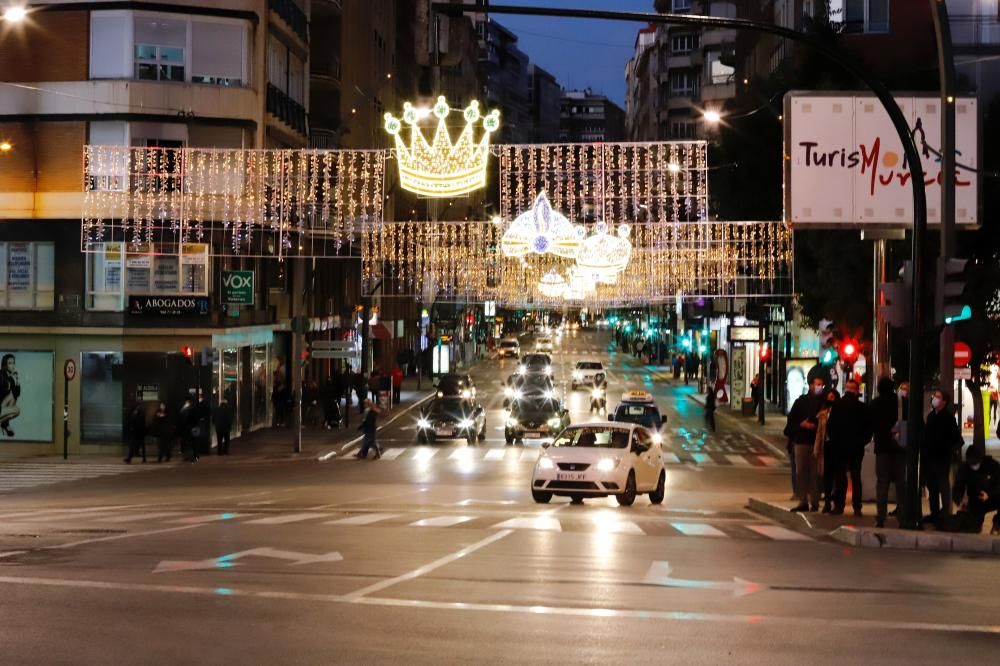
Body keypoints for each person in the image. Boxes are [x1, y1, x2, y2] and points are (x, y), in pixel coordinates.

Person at [826, 379, 871, 516]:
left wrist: (834, 441)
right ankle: (857, 507)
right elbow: (868, 428)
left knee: (840, 476)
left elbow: (831, 426)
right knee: (856, 476)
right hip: (856, 447)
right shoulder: (862, 407)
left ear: (846, 389)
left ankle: (839, 505)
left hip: (839, 446)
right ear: (856, 391)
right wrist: (863, 441)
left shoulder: (837, 405)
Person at [785, 376, 826, 512]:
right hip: (801, 441)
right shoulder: (801, 401)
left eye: (821, 385)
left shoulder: (824, 402)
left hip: (817, 442)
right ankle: (802, 500)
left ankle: (815, 501)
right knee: (801, 472)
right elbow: (792, 419)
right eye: (817, 384)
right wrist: (802, 424)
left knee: (815, 473)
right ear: (811, 385)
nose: (819, 387)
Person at [869, 378, 906, 528]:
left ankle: (880, 517)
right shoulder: (902, 402)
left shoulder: (875, 403)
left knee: (882, 483)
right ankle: (903, 517)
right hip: (899, 447)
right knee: (901, 484)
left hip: (882, 447)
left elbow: (870, 423)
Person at [922, 389, 963, 524]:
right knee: (932, 487)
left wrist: (948, 452)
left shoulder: (948, 418)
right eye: (935, 396)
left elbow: (958, 439)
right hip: (929, 458)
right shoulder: (931, 416)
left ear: (944, 402)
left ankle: (945, 514)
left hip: (941, 459)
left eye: (938, 397)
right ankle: (934, 513)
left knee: (943, 486)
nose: (934, 398)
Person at [952, 446, 1000, 535]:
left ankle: (997, 524)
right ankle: (977, 524)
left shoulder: (993, 465)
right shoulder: (964, 468)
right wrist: (959, 500)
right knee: (974, 527)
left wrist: (989, 494)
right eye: (971, 464)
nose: (974, 466)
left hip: (993, 497)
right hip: (976, 499)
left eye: (976, 463)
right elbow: (958, 487)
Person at [814, 389, 837, 512]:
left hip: (836, 447)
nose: (831, 398)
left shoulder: (839, 411)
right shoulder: (823, 413)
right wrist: (816, 449)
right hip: (825, 446)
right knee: (826, 475)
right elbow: (819, 432)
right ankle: (827, 501)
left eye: (833, 396)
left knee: (836, 475)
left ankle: (836, 501)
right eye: (829, 396)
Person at [0, 353, 21, 437]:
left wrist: (17, 380)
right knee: (17, 410)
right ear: (5, 364)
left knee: (13, 396)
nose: (13, 365)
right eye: (10, 363)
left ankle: (4, 424)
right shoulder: (0, 375)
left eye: (13, 363)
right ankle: (4, 425)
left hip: (2, 406)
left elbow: (16, 395)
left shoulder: (11, 378)